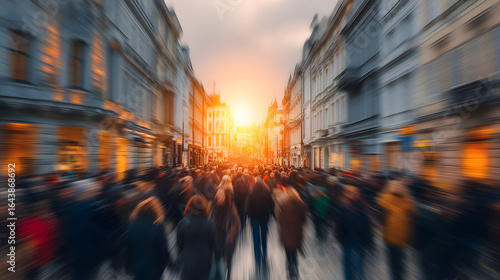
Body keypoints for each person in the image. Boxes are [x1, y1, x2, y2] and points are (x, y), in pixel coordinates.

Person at [124, 196, 172, 280]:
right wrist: (170, 264)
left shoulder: (132, 225)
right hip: (154, 268)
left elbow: (127, 247)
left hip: (137, 267)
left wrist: (127, 265)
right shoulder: (157, 226)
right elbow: (163, 249)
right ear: (155, 210)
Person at [377, 180, 414, 280]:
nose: (395, 188)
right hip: (390, 237)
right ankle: (395, 277)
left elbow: (412, 215)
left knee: (401, 261)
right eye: (393, 186)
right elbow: (380, 217)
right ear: (389, 187)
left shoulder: (406, 200)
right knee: (393, 261)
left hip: (403, 237)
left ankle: (399, 276)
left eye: (398, 186)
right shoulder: (385, 199)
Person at [177, 195, 216, 280]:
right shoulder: (209, 224)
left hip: (187, 260)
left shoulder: (182, 223)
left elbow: (180, 244)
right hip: (204, 260)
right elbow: (213, 243)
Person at [336, 185, 371, 280]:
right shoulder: (343, 207)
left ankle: (359, 277)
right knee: (347, 263)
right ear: (346, 194)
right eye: (351, 193)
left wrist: (368, 239)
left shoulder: (362, 207)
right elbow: (339, 224)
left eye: (355, 193)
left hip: (360, 240)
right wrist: (340, 238)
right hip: (347, 240)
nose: (353, 195)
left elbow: (367, 224)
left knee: (359, 264)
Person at [210, 176, 241, 280]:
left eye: (221, 195)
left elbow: (236, 224)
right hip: (216, 240)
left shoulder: (231, 209)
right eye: (217, 195)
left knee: (229, 261)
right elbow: (209, 220)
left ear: (225, 196)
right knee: (217, 262)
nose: (219, 197)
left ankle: (228, 274)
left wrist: (230, 236)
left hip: (227, 242)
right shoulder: (212, 207)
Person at [275, 188, 307, 280]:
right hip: (296, 232)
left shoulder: (283, 204)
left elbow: (279, 218)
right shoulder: (301, 204)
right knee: (294, 253)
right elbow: (303, 218)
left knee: (288, 253)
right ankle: (295, 271)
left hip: (286, 232)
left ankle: (289, 270)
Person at [247, 171, 275, 270]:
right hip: (264, 217)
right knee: (264, 234)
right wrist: (273, 214)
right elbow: (271, 204)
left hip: (254, 217)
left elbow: (248, 205)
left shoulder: (251, 191)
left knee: (255, 237)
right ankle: (265, 251)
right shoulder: (266, 191)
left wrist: (248, 215)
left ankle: (257, 255)